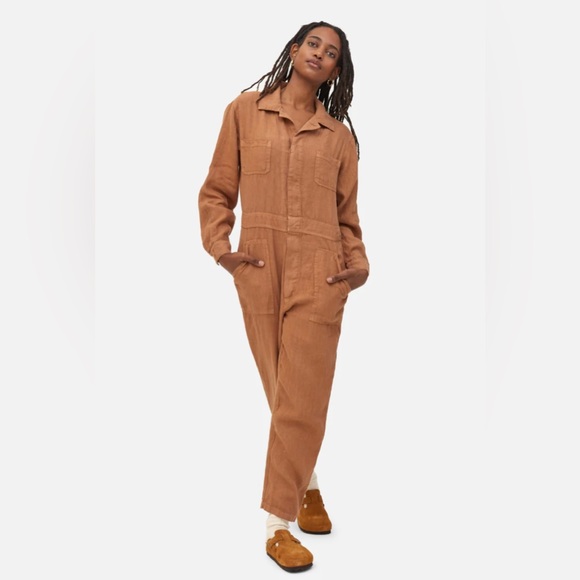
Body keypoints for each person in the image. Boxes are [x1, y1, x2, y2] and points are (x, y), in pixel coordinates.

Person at [198, 20, 370, 573]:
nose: (320, 53)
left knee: (303, 396)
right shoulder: (244, 111)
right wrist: (223, 251)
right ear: (294, 50)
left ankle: (277, 526)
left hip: (322, 273)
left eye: (332, 52)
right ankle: (308, 484)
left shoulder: (338, 139)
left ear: (337, 70)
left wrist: (356, 267)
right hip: (260, 265)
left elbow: (347, 218)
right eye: (313, 43)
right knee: (281, 388)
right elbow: (218, 190)